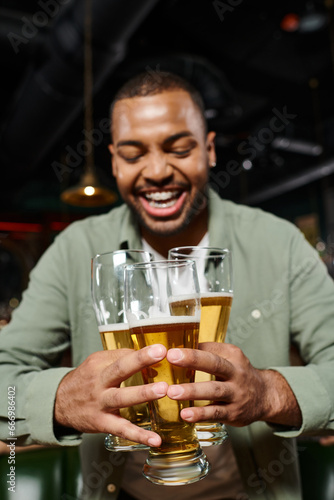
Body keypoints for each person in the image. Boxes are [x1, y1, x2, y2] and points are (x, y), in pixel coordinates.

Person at [0, 71, 334, 500]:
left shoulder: (278, 242)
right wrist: (60, 400)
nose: (157, 171)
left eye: (179, 148)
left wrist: (268, 393)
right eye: (133, 154)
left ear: (210, 150)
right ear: (115, 162)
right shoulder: (75, 250)